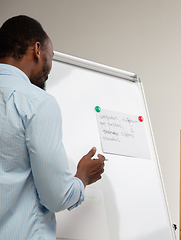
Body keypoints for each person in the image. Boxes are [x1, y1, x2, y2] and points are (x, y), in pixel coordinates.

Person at [0, 15, 106, 239]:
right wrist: (83, 176)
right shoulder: (36, 102)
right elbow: (57, 196)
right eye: (51, 55)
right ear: (37, 49)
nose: (50, 65)